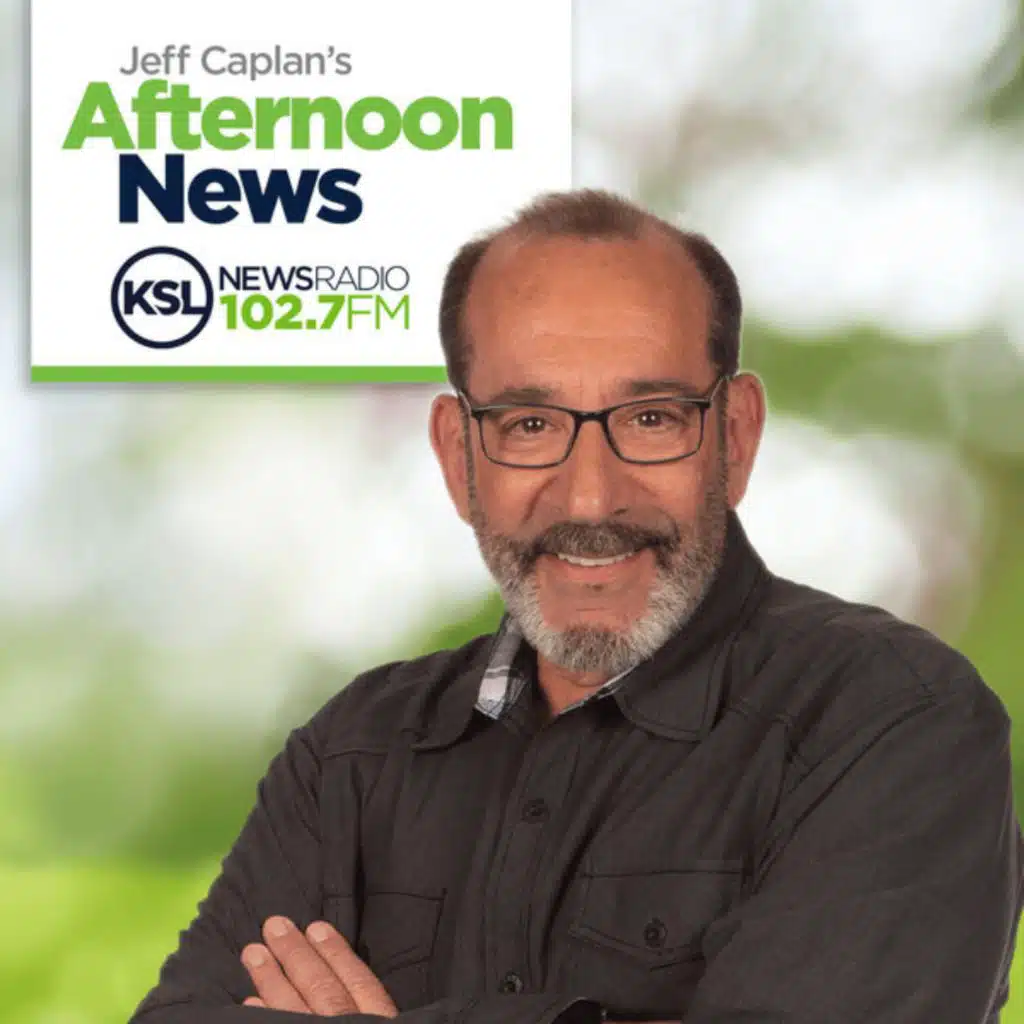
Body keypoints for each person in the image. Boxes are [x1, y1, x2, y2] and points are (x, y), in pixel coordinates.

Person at [129, 189, 1023, 1024]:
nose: (591, 499)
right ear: (456, 458)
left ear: (737, 438)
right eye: (528, 425)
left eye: (651, 419)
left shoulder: (893, 723)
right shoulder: (349, 759)